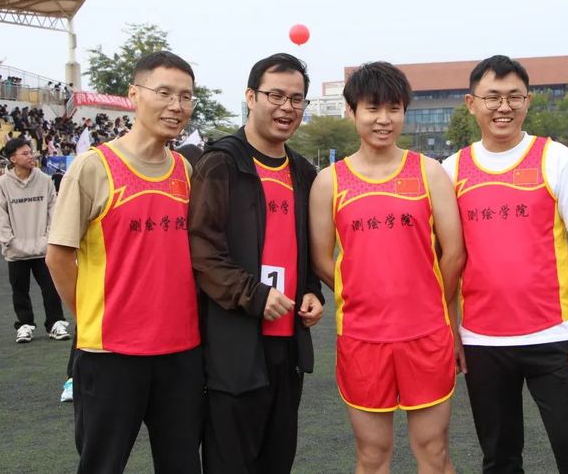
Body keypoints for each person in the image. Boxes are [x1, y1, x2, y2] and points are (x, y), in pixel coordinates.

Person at [442, 55, 568, 473]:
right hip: (482, 340)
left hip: (555, 335)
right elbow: (447, 261)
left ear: (528, 101)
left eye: (514, 97)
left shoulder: (556, 159)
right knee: (500, 459)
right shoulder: (452, 170)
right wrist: (452, 330)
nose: (504, 107)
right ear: (471, 103)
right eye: (492, 97)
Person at [45, 51, 204, 473]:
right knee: (102, 464)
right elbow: (58, 255)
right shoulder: (93, 167)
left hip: (181, 352)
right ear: (134, 94)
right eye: (164, 93)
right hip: (110, 354)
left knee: (182, 464)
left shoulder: (185, 170)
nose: (176, 106)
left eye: (186, 97)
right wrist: (90, 316)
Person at [309, 62, 465, 473]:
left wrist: (431, 302)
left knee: (433, 451)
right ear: (351, 111)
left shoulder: (429, 172)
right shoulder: (329, 182)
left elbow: (453, 253)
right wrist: (361, 292)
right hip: (362, 338)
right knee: (373, 454)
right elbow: (322, 259)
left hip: (426, 334)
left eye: (394, 109)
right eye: (372, 108)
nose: (383, 119)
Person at [188, 53, 324, 474]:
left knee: (277, 459)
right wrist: (255, 295)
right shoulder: (221, 163)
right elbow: (203, 250)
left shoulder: (303, 172)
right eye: (275, 96)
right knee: (230, 462)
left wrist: (312, 291)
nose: (287, 108)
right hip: (234, 344)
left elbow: (305, 248)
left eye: (297, 99)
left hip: (287, 344)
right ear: (251, 97)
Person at [0, 137, 69, 344]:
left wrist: (49, 239)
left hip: (43, 249)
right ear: (13, 159)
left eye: (31, 152)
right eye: (25, 153)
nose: (31, 156)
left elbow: (54, 211)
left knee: (51, 288)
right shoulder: (1, 184)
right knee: (20, 290)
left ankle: (55, 322)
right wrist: (10, 241)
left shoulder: (44, 180)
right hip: (16, 251)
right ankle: (25, 325)